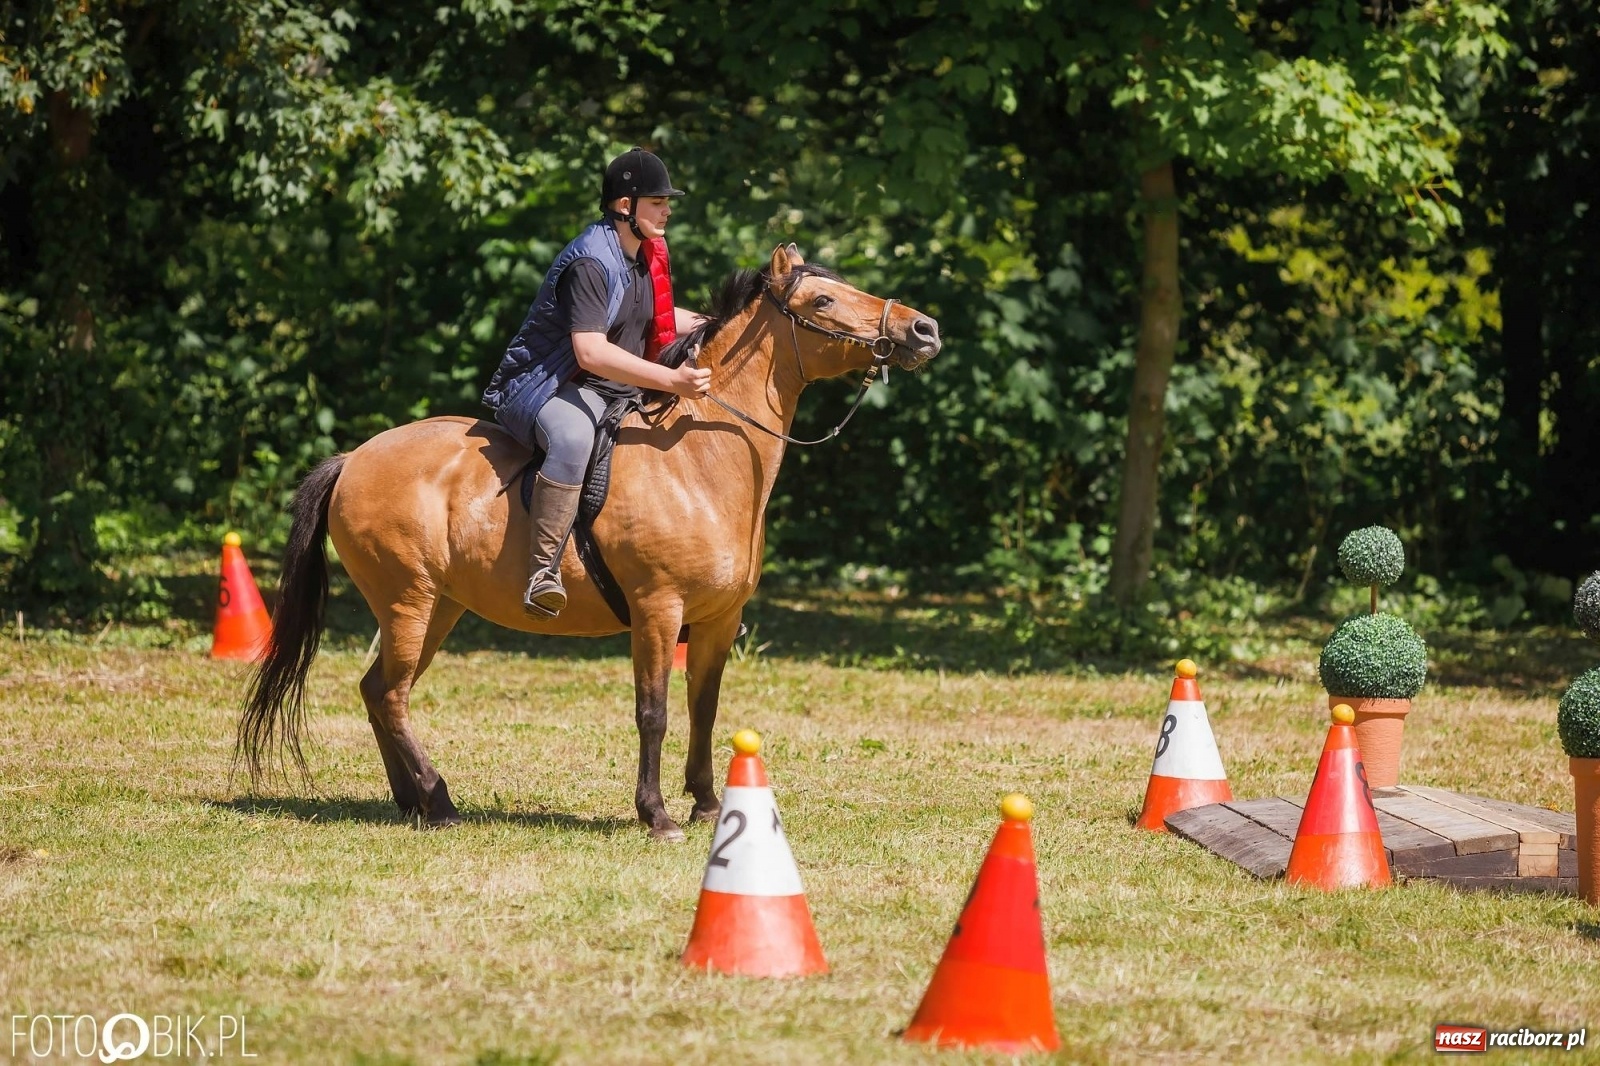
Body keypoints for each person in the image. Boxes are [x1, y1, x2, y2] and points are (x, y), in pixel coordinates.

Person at [482, 147, 711, 618]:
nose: (667, 210)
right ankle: (542, 571)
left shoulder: (640, 254)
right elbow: (590, 351)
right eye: (656, 202)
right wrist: (672, 379)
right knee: (572, 439)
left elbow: (659, 317)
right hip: (549, 385)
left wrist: (727, 325)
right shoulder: (590, 261)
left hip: (611, 388)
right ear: (625, 205)